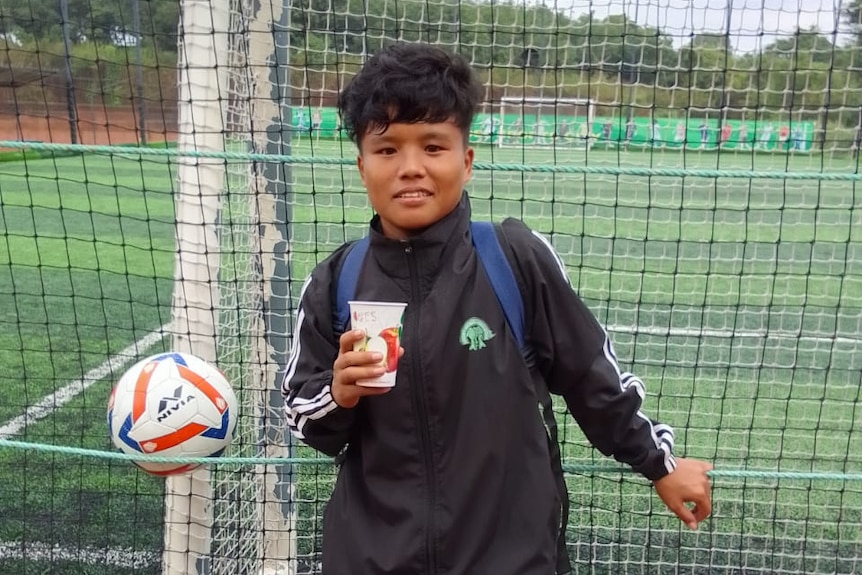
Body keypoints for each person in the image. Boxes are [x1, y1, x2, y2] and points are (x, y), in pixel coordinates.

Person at [282, 42, 713, 575]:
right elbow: (306, 420)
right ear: (361, 164)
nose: (410, 167)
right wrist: (339, 394)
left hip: (511, 558)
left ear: (465, 160)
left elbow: (591, 378)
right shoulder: (336, 280)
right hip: (372, 557)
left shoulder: (512, 258)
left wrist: (659, 464)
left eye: (433, 147)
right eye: (388, 149)